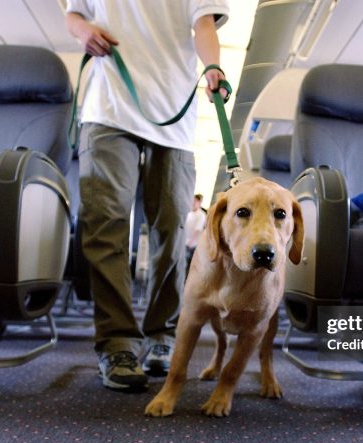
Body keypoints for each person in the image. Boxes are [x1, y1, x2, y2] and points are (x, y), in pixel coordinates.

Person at [65, 0, 230, 391]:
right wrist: (82, 31)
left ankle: (163, 336)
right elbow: (74, 13)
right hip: (108, 109)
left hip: (173, 114)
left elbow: (203, 24)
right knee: (104, 227)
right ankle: (117, 343)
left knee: (170, 231)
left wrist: (213, 66)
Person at [184, 194, 207, 272]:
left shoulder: (201, 215)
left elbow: (198, 230)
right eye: (192, 201)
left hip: (191, 245)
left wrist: (191, 242)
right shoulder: (189, 212)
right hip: (184, 241)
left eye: (195, 201)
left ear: (199, 203)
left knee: (186, 265)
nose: (193, 203)